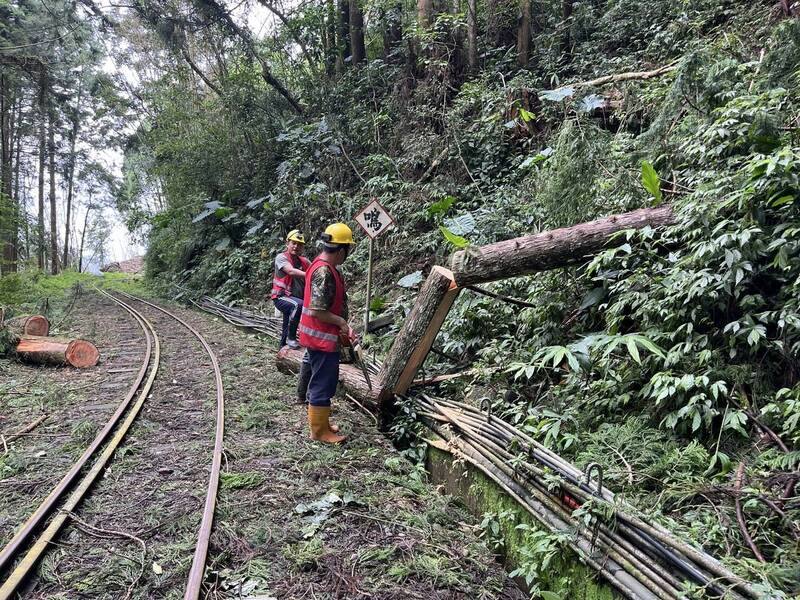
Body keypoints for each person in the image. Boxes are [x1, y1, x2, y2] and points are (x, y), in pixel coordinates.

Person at [298, 222, 355, 444]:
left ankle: (321, 423)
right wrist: (341, 321)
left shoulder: (321, 266)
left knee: (322, 379)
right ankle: (319, 432)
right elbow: (317, 310)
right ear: (341, 250)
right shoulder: (323, 272)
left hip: (318, 337)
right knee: (323, 382)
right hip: (321, 338)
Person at [271, 229, 310, 349]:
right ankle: (291, 338)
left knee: (287, 323)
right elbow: (291, 271)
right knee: (297, 306)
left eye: (299, 244)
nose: (296, 246)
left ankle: (282, 349)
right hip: (281, 297)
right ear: (287, 243)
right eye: (293, 243)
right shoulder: (281, 258)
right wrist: (309, 274)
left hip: (293, 298)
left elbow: (316, 269)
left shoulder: (304, 262)